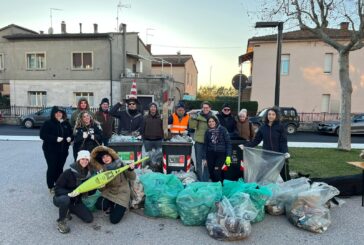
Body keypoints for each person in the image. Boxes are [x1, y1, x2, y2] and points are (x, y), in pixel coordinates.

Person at [90, 146, 136, 224]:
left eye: (107, 156)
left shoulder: (121, 164)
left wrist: (130, 169)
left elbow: (132, 177)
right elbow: (102, 189)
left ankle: (122, 206)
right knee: (99, 205)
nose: (106, 158)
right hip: (109, 192)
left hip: (122, 193)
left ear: (111, 156)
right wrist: (101, 186)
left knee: (114, 220)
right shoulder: (102, 169)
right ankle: (112, 204)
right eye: (103, 157)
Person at [244, 107, 291, 181]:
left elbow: (283, 141)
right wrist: (245, 146)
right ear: (266, 116)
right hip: (266, 156)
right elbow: (256, 141)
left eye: (273, 114)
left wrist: (285, 152)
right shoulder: (263, 128)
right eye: (269, 114)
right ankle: (257, 188)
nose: (271, 116)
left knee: (285, 176)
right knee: (261, 175)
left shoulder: (280, 127)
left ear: (276, 116)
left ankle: (290, 189)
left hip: (280, 156)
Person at [53, 150, 94, 234]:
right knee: (65, 200)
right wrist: (70, 192)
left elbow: (90, 193)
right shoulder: (68, 172)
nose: (85, 161)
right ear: (78, 160)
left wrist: (97, 188)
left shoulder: (88, 174)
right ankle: (61, 221)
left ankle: (69, 209)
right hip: (61, 197)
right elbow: (57, 189)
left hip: (76, 201)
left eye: (87, 159)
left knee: (89, 219)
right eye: (82, 159)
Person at [40, 106, 73, 193]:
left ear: (63, 114)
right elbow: (42, 135)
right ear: (53, 114)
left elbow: (71, 133)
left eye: (60, 112)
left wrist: (70, 138)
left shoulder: (66, 123)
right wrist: (55, 139)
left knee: (60, 168)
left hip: (63, 151)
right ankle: (51, 186)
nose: (59, 114)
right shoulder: (48, 123)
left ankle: (59, 184)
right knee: (52, 167)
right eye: (56, 112)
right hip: (51, 151)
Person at [188, 101, 213, 181]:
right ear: (202, 108)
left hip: (209, 143)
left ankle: (207, 178)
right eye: (204, 107)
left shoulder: (213, 117)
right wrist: (192, 117)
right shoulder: (198, 116)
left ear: (210, 108)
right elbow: (192, 126)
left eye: (207, 107)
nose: (205, 109)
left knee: (208, 161)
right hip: (199, 142)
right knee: (199, 161)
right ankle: (200, 178)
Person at [202, 116, 232, 183]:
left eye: (213, 121)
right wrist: (204, 158)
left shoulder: (223, 130)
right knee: (211, 173)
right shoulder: (207, 132)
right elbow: (205, 145)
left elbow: (228, 143)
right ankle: (215, 188)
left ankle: (220, 187)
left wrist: (228, 156)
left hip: (221, 153)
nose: (211, 123)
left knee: (216, 172)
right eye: (209, 122)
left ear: (216, 122)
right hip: (210, 154)